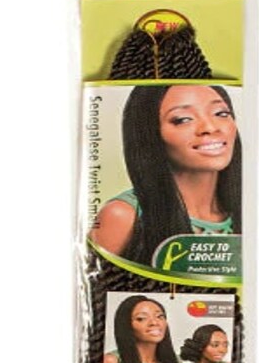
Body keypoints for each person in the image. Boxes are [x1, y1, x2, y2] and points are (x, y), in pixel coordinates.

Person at [90, 84, 242, 266]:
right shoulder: (122, 216)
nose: (210, 127)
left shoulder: (250, 211)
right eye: (183, 119)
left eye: (221, 113)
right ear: (149, 133)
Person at [102, 296, 178, 363]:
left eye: (160, 316)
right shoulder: (111, 361)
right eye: (141, 318)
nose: (154, 322)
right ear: (127, 325)